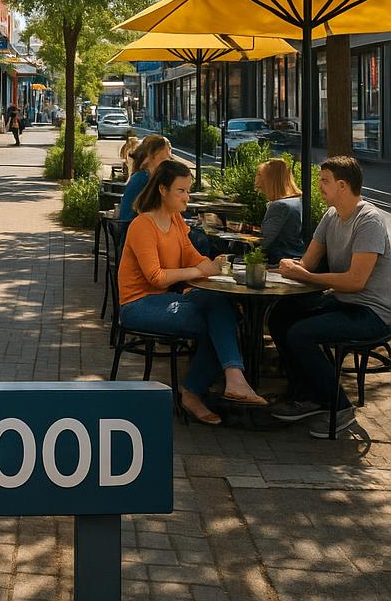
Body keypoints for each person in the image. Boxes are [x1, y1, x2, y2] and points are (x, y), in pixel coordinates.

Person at [117, 159, 268, 423]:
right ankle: (202, 389)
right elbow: (157, 277)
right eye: (181, 190)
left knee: (222, 307)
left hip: (165, 301)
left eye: (188, 190)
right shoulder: (142, 225)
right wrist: (200, 271)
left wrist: (211, 264)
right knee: (219, 320)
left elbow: (190, 254)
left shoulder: (175, 220)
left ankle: (225, 381)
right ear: (163, 190)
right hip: (137, 305)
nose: (187, 196)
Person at [268, 156, 391, 438]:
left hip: (372, 312)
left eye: (324, 181)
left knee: (300, 333)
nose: (319, 186)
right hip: (343, 301)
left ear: (343, 185)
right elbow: (308, 264)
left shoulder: (368, 221)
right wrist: (285, 267)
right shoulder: (331, 215)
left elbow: (355, 282)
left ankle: (340, 406)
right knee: (279, 316)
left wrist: (305, 276)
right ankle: (306, 395)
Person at [254, 159, 304, 264]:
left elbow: (264, 242)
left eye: (259, 175)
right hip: (295, 257)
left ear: (270, 181)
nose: (257, 181)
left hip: (279, 261)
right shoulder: (297, 200)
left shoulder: (279, 206)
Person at [118, 134, 172, 220]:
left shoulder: (144, 175)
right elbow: (153, 209)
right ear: (153, 154)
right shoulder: (144, 178)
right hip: (134, 227)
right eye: (167, 153)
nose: (169, 157)